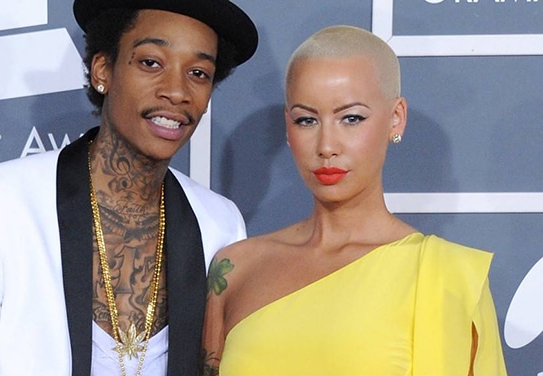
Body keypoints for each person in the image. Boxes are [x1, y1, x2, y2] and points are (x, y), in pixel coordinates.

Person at [0, 0, 258, 375]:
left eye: (198, 72)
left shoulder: (220, 224)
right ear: (103, 69)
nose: (176, 90)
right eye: (151, 62)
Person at [200, 25, 508, 375]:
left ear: (396, 118)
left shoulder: (449, 277)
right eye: (306, 120)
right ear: (288, 126)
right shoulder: (235, 269)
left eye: (351, 118)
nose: (326, 145)